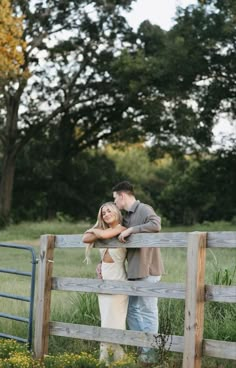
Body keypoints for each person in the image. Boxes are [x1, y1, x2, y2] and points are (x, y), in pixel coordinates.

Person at [112, 181, 164, 364]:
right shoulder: (126, 216)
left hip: (149, 269)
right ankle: (143, 347)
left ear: (122, 196)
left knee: (148, 309)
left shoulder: (144, 209)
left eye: (115, 198)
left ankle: (151, 353)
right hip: (134, 270)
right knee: (132, 309)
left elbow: (156, 225)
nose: (114, 202)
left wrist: (133, 230)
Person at [82, 202, 128, 366]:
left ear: (116, 211)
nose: (106, 214)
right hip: (103, 279)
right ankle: (106, 358)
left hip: (117, 279)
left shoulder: (121, 229)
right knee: (106, 319)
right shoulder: (103, 231)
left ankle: (117, 359)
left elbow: (104, 236)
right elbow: (85, 238)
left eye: (109, 210)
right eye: (103, 213)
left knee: (115, 319)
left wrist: (96, 231)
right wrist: (97, 231)